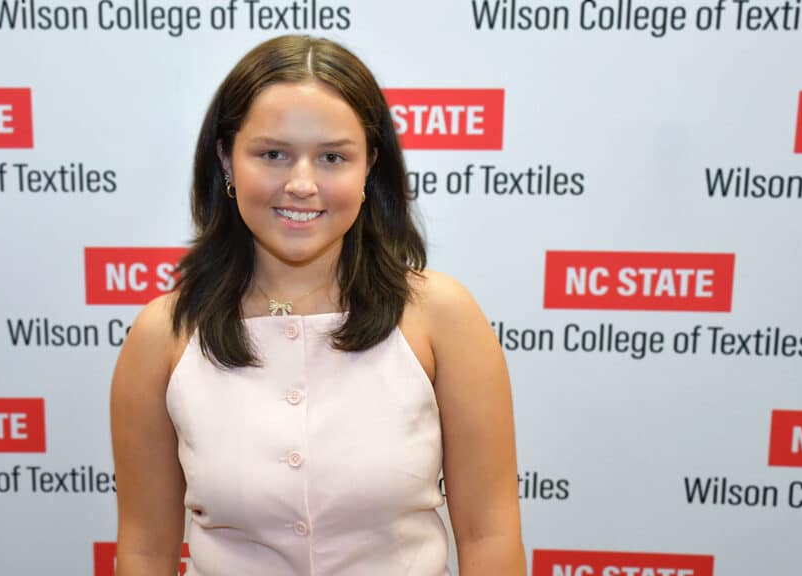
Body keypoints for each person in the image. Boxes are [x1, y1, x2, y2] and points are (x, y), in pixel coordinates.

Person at [110, 35, 524, 576]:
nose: (302, 184)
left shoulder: (440, 316)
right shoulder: (163, 335)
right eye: (272, 154)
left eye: (332, 157)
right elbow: (144, 549)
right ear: (226, 159)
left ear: (369, 165)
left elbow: (489, 534)